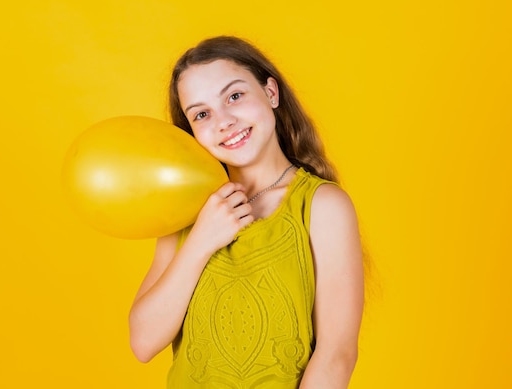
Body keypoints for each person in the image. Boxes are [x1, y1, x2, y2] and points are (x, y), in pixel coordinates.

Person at [129, 36, 364, 388]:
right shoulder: (187, 211)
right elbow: (143, 342)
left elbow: (336, 355)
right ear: (191, 132)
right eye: (202, 114)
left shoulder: (323, 207)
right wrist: (201, 241)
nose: (224, 121)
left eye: (234, 96)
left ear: (271, 93)